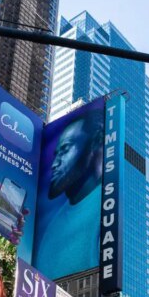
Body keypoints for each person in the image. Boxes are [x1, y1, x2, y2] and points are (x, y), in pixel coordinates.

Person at [31, 105, 105, 278]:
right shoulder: (52, 226)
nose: (55, 164)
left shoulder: (105, 211)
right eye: (56, 154)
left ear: (94, 145)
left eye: (65, 150)